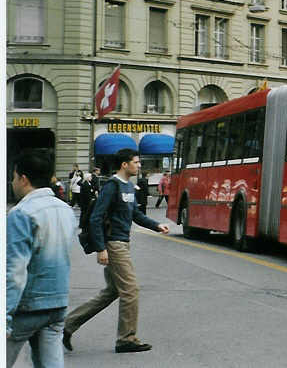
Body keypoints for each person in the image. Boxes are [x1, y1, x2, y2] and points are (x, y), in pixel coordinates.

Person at [63, 149, 170, 354]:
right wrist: (101, 248)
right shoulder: (111, 187)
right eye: (136, 162)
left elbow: (136, 214)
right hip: (114, 245)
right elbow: (96, 218)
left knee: (112, 291)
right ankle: (126, 339)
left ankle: (67, 325)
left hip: (122, 242)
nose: (139, 166)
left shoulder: (128, 187)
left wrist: (157, 225)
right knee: (130, 290)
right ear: (124, 164)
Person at [7, 152, 78, 368]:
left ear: (24, 179)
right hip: (57, 304)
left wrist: (5, 315)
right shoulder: (65, 210)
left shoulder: (21, 213)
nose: (12, 182)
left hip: (27, 307)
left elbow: (14, 270)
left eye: (13, 176)